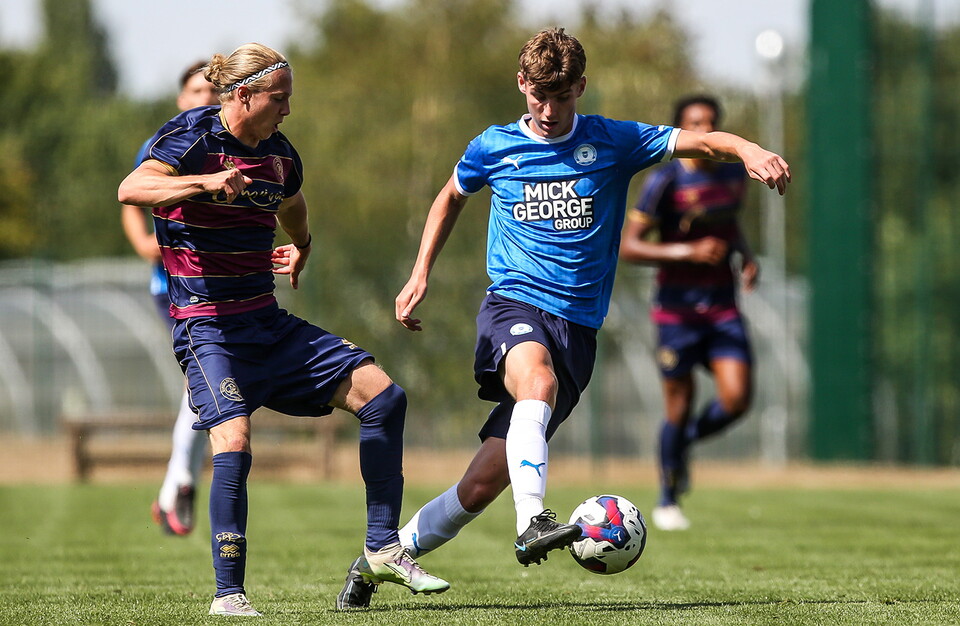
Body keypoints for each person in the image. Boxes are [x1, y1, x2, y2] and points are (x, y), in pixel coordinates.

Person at [336, 27, 790, 609]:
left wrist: (748, 149)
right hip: (514, 305)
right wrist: (420, 272)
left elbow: (697, 142)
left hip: (577, 332)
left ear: (580, 87)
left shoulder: (613, 141)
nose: (549, 111)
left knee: (477, 486)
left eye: (562, 97)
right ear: (522, 84)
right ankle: (534, 520)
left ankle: (374, 563)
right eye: (538, 97)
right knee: (538, 380)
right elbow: (451, 195)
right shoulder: (493, 146)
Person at [117, 43, 449, 617]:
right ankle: (229, 595)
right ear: (243, 96)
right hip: (207, 330)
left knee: (384, 397)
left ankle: (381, 548)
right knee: (234, 440)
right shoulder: (191, 137)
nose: (288, 110)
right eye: (280, 98)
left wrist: (302, 245)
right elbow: (132, 188)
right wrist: (203, 185)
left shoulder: (280, 153)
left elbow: (292, 205)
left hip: (268, 324)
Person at [619, 95, 758, 532]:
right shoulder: (664, 180)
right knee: (677, 407)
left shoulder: (734, 173)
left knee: (737, 399)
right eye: (695, 123)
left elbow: (729, 224)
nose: (704, 129)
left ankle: (683, 445)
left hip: (722, 307)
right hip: (676, 312)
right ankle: (666, 498)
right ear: (681, 130)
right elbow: (628, 245)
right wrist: (688, 250)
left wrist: (746, 255)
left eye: (710, 122)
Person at [121, 60, 219, 537]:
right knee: (202, 382)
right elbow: (132, 194)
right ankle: (179, 482)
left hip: (217, 286)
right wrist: (148, 246)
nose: (206, 98)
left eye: (213, 90)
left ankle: (171, 492)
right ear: (182, 99)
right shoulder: (170, 140)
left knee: (208, 388)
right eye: (197, 90)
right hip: (175, 288)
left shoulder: (230, 144)